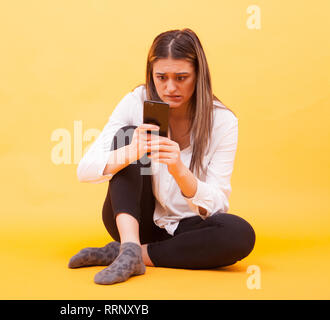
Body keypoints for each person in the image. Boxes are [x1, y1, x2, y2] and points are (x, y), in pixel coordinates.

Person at [69, 28, 256, 285]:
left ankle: (131, 253)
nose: (170, 88)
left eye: (181, 77)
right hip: (134, 220)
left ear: (198, 75)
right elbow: (84, 170)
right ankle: (130, 243)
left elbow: (217, 205)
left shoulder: (222, 121)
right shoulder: (136, 101)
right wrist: (131, 151)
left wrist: (180, 171)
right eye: (161, 77)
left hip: (186, 228)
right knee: (127, 135)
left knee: (239, 234)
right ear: (151, 75)